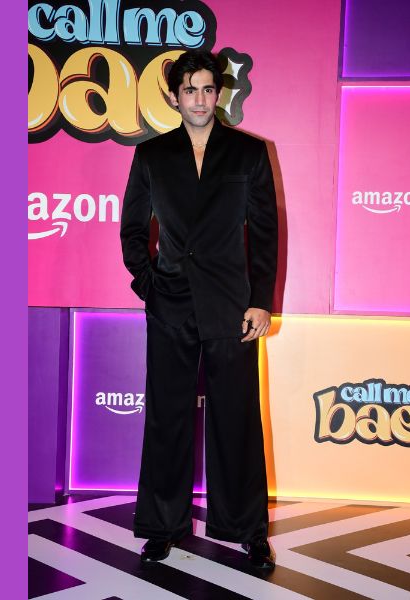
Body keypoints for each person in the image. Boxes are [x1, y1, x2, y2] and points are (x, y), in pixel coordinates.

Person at [119, 49, 278, 569]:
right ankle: (161, 526)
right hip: (171, 304)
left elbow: (265, 234)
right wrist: (150, 285)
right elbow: (132, 228)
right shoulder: (152, 155)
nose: (201, 99)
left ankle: (247, 529)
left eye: (209, 89)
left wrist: (261, 301)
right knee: (167, 418)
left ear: (219, 94)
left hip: (232, 305)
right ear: (174, 97)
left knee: (237, 419)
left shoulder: (249, 153)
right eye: (190, 90)